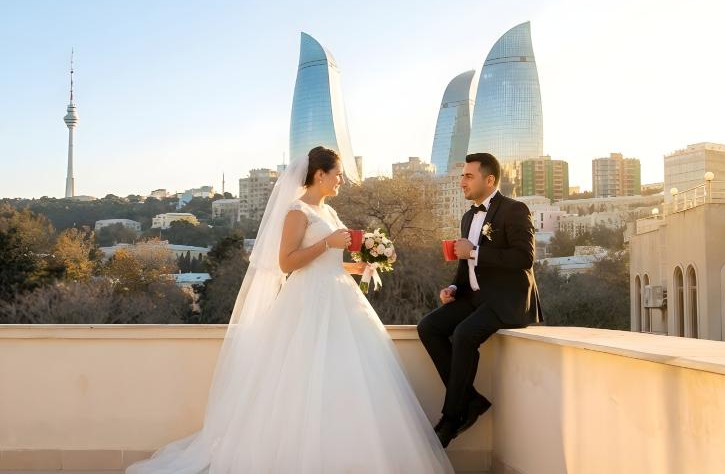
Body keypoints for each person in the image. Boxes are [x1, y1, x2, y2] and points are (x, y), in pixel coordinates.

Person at [126, 146, 453, 474]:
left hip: (340, 296)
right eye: (338, 174)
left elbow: (329, 264)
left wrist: (361, 265)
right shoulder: (297, 212)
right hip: (308, 301)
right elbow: (287, 262)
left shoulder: (329, 212)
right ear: (320, 174)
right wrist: (327, 243)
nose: (341, 180)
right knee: (303, 378)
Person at [417, 152, 544, 448]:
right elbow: (467, 265)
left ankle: (451, 418)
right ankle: (472, 400)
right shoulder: (467, 217)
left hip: (506, 300)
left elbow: (524, 257)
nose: (462, 182)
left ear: (489, 180)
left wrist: (474, 251)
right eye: (462, 176)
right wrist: (453, 287)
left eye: (468, 176)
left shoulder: (514, 209)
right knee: (429, 327)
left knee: (464, 334)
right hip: (474, 297)